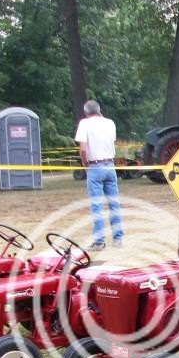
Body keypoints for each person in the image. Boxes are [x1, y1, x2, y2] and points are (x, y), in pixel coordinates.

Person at [75, 100, 123, 251]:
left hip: (95, 166)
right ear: (99, 110)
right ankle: (118, 239)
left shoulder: (84, 123)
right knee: (114, 204)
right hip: (110, 165)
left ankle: (99, 241)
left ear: (86, 112)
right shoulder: (110, 123)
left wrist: (84, 163)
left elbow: (83, 149)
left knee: (96, 205)